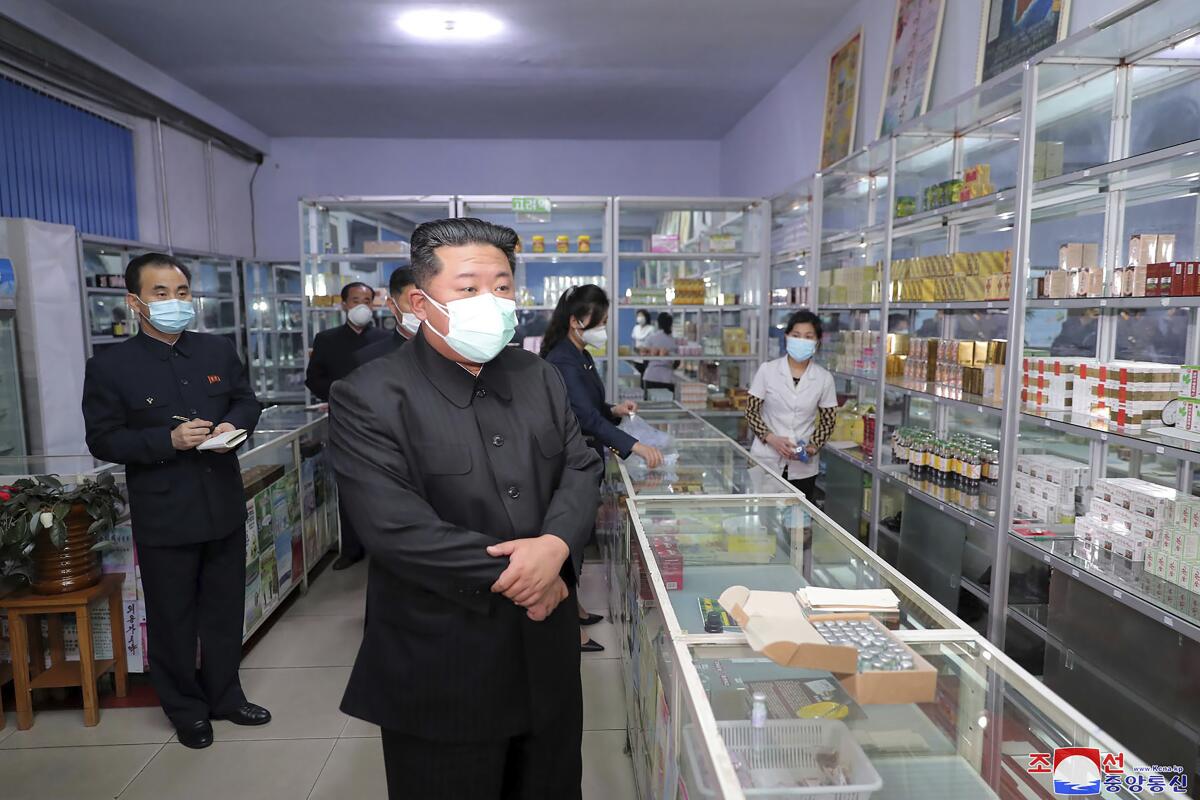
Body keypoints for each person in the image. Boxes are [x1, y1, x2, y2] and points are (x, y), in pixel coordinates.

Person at [330, 218, 602, 800]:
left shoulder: (540, 376)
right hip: (442, 660)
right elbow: (393, 526)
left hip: (544, 653)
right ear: (420, 302)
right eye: (469, 287)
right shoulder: (370, 395)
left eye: (502, 287)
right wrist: (530, 575)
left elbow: (580, 468)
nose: (492, 302)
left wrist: (554, 547)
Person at [81, 253, 268, 750]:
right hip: (165, 512)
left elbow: (246, 400)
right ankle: (186, 710)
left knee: (226, 609)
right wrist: (169, 442)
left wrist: (236, 425)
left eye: (182, 293)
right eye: (160, 293)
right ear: (134, 302)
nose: (174, 302)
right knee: (173, 617)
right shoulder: (110, 366)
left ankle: (226, 696)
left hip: (222, 504)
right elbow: (103, 439)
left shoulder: (216, 351)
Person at [540, 285, 665, 653]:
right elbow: (582, 416)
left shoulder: (580, 354)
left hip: (586, 456)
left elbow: (592, 407)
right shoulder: (562, 360)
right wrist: (634, 446)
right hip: (569, 462)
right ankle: (568, 630)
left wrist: (615, 410)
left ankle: (574, 609)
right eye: (603, 322)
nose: (606, 329)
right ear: (578, 321)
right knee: (569, 542)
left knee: (577, 541)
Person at [306, 280, 387, 569]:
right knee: (349, 484)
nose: (361, 306)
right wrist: (338, 395)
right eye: (355, 300)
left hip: (380, 421)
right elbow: (313, 378)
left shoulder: (383, 338)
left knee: (382, 484)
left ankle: (382, 549)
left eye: (367, 300)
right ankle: (351, 549)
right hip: (342, 419)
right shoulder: (327, 339)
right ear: (344, 305)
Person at [745, 310, 838, 499]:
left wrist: (811, 447)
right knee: (765, 520)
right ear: (787, 337)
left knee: (797, 523)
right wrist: (771, 438)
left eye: (808, 336)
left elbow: (828, 420)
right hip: (766, 458)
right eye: (796, 336)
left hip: (802, 466)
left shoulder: (823, 378)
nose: (801, 340)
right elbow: (751, 411)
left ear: (817, 342)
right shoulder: (768, 370)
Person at [350, 267, 418, 370]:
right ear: (392, 305)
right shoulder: (369, 358)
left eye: (428, 302)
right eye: (413, 303)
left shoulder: (449, 352)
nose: (422, 311)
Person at [641, 311, 678, 394]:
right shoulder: (673, 340)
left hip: (651, 377)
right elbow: (676, 362)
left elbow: (644, 358)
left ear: (658, 323)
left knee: (651, 403)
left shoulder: (651, 337)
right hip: (667, 378)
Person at [630, 308, 655, 377]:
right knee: (637, 376)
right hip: (636, 357)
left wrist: (645, 349)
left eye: (641, 316)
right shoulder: (636, 328)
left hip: (647, 358)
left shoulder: (651, 328)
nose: (639, 318)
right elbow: (633, 341)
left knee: (646, 377)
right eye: (638, 316)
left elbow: (653, 344)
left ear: (646, 317)